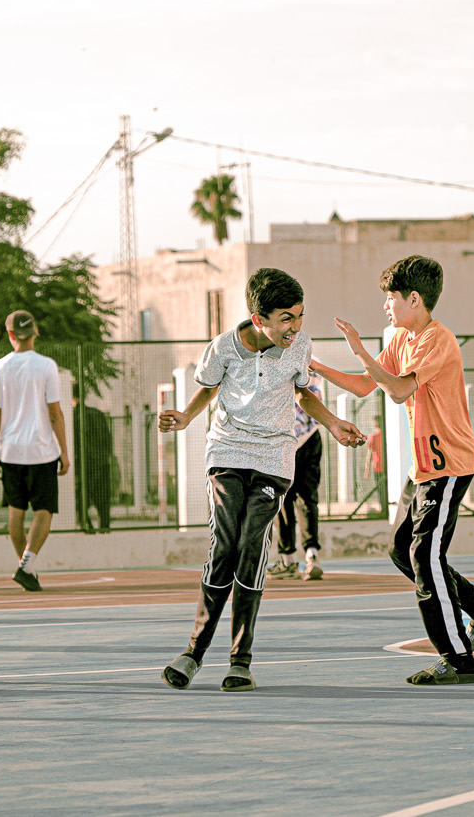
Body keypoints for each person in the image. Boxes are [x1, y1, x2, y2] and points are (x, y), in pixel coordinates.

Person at [157, 268, 364, 692]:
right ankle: (194, 652)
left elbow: (305, 393)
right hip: (228, 452)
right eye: (286, 317)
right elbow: (208, 389)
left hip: (274, 456)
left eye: (300, 315)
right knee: (226, 543)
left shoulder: (299, 345)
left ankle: (240, 660)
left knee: (252, 545)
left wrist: (335, 424)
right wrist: (184, 418)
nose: (296, 326)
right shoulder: (222, 348)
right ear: (259, 319)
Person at [315, 255, 474, 685]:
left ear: (414, 299)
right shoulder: (403, 340)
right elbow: (365, 384)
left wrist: (360, 351)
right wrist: (313, 367)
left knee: (426, 555)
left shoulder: (436, 340)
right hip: (422, 468)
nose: (385, 307)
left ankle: (458, 659)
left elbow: (399, 389)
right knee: (401, 551)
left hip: (450, 464)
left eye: (391, 299)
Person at [0, 310, 68, 591]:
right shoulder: (46, 366)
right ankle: (26, 565)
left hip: (10, 452)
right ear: (34, 332)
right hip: (42, 452)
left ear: (10, 335)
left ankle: (27, 569)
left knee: (15, 513)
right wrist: (64, 452)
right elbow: (55, 412)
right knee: (44, 510)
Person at [269, 383, 325, 580]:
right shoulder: (311, 363)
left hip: (285, 440)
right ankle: (311, 555)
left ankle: (288, 559)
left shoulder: (270, 360)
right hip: (309, 437)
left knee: (283, 500)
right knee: (307, 499)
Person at [76, 401, 116, 534]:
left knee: (83, 496)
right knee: (103, 497)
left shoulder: (74, 415)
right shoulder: (98, 413)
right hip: (102, 461)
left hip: (84, 462)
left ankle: (86, 525)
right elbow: (108, 438)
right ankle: (105, 526)